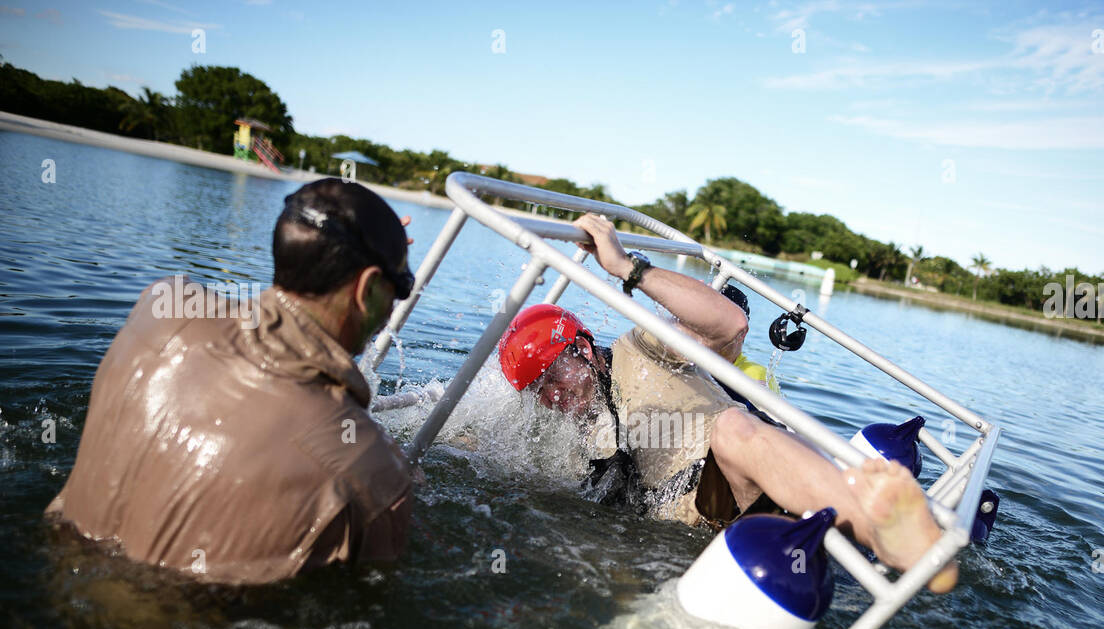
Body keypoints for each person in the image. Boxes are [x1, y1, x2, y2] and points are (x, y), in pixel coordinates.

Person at [497, 214, 957, 592]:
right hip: (684, 533)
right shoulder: (565, 436)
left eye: (553, 376)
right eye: (539, 391)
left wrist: (627, 269)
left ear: (582, 349)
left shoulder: (641, 345)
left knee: (733, 429)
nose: (552, 397)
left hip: (733, 477)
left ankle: (892, 537)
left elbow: (729, 325)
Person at [45, 178, 416, 585]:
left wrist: (356, 259)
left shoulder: (159, 306)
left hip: (57, 565)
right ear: (365, 289)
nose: (394, 305)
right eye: (399, 289)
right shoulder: (375, 474)